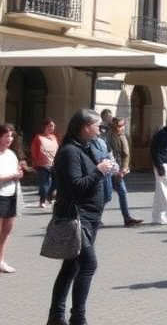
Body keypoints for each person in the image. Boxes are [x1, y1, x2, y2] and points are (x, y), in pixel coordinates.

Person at [47, 109, 115, 325]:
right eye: (97, 126)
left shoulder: (85, 148)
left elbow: (92, 175)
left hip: (90, 217)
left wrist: (106, 168)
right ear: (85, 127)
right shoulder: (70, 152)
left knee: (71, 267)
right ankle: (77, 317)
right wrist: (99, 171)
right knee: (88, 265)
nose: (100, 130)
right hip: (75, 217)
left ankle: (56, 317)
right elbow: (77, 186)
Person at [107, 118, 143, 227]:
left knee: (112, 194)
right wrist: (123, 170)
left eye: (122, 125)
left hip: (112, 169)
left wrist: (124, 169)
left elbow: (126, 155)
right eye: (119, 126)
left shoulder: (110, 135)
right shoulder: (117, 137)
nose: (121, 128)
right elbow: (126, 154)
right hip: (114, 169)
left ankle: (127, 217)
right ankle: (126, 218)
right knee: (108, 195)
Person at [0, 124, 25, 274]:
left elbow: (16, 173)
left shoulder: (11, 154)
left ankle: (1, 260)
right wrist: (13, 176)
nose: (9, 139)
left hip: (11, 194)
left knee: (7, 230)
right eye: (6, 135)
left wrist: (19, 174)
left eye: (11, 136)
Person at [31, 119, 60, 208]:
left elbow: (57, 149)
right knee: (44, 184)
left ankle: (50, 197)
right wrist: (35, 161)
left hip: (54, 164)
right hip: (42, 164)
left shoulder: (54, 137)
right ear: (45, 127)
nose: (52, 128)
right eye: (50, 126)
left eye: (53, 126)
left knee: (55, 183)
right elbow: (33, 150)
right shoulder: (38, 137)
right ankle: (42, 200)